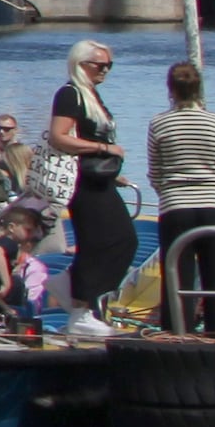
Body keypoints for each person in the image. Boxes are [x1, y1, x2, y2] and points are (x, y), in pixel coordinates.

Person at [139, 58, 215, 330]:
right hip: (213, 203)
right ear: (199, 89)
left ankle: (177, 331)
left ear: (170, 89)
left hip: (175, 206)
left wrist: (167, 189)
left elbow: (155, 170)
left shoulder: (159, 123)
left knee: (176, 276)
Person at [50, 43, 134, 308]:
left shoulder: (91, 95)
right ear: (81, 64)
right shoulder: (70, 94)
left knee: (118, 241)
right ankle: (83, 305)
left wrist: (111, 171)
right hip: (83, 182)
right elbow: (58, 136)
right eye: (100, 65)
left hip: (99, 180)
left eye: (110, 65)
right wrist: (103, 148)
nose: (105, 71)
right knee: (110, 241)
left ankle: (80, 296)